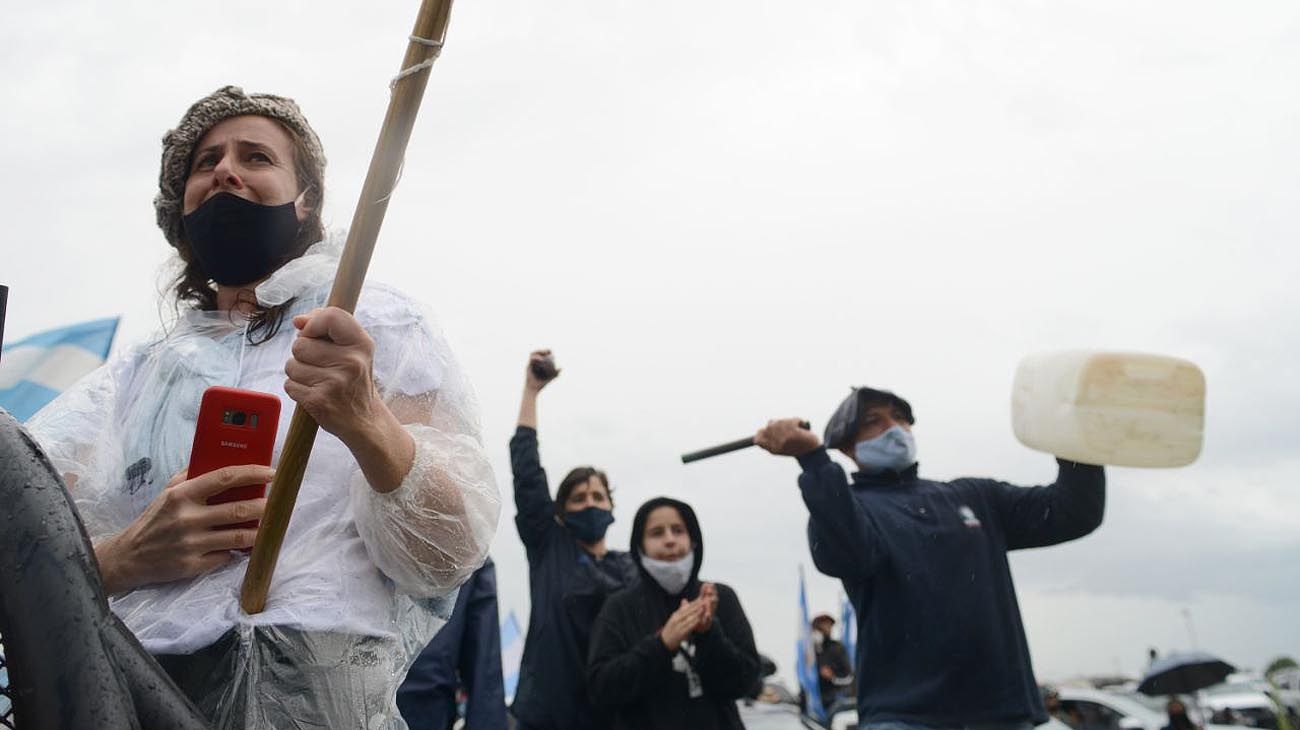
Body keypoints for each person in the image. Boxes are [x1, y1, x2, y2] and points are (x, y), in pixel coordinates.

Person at [26, 85, 500, 728]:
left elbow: (447, 553)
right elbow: (26, 544)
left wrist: (367, 420)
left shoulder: (375, 324)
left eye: (256, 156)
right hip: (135, 692)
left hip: (314, 686)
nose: (226, 170)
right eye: (207, 162)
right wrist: (123, 558)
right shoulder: (134, 379)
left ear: (305, 200)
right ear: (180, 208)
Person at [754, 386, 1106, 730]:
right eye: (874, 421)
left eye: (900, 418)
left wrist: (1076, 437)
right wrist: (814, 462)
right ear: (846, 445)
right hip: (904, 715)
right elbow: (849, 554)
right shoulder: (849, 509)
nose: (893, 428)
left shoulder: (977, 497)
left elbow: (1074, 512)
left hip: (1004, 713)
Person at [509, 350, 639, 730]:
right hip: (547, 719)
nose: (590, 503)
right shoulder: (549, 547)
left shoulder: (633, 567)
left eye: (598, 497)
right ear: (560, 513)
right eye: (578, 499)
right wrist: (531, 392)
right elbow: (527, 474)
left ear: (612, 507)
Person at [586, 496, 761, 730]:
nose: (670, 540)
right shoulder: (619, 607)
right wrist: (661, 645)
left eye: (678, 530)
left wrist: (709, 634)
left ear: (693, 540)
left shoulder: (721, 598)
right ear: (640, 547)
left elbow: (745, 682)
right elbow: (601, 689)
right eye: (656, 533)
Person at [397, 558, 508, 730]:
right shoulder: (470, 557)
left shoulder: (473, 562)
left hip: (418, 708)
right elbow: (485, 677)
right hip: (424, 708)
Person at [811, 613, 855, 715]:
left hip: (834, 701)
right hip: (814, 704)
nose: (827, 629)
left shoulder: (837, 648)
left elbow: (849, 677)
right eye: (822, 627)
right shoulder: (809, 653)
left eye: (829, 626)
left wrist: (832, 677)